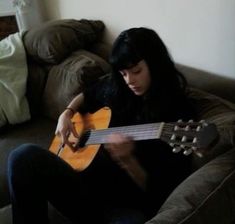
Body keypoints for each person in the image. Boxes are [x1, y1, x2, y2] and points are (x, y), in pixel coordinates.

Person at [7, 27, 196, 224]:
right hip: (82, 185)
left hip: (122, 205)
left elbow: (160, 194)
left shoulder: (179, 115)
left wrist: (128, 160)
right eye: (123, 73)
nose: (129, 80)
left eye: (136, 71)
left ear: (155, 63)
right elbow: (87, 95)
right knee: (22, 156)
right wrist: (67, 113)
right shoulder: (119, 87)